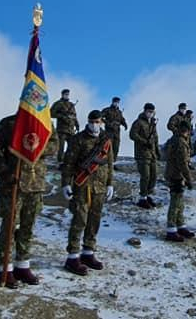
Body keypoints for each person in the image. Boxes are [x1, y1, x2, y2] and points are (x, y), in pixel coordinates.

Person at [0, 114, 59, 288]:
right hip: (13, 182)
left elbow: (54, 145)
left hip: (35, 183)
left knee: (28, 226)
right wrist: (4, 171)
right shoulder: (10, 123)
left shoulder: (45, 124)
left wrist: (36, 147)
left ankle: (22, 265)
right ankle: (5, 267)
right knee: (9, 226)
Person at [61, 110, 115, 276]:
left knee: (94, 220)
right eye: (92, 121)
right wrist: (66, 183)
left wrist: (110, 183)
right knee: (80, 220)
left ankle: (88, 253)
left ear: (101, 122)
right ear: (88, 122)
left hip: (99, 187)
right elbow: (68, 163)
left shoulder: (106, 140)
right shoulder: (78, 139)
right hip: (82, 186)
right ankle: (72, 257)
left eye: (98, 122)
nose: (95, 124)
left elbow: (109, 163)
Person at [163, 121, 195, 242]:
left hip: (174, 174)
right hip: (176, 175)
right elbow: (182, 163)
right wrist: (189, 178)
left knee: (180, 203)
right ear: (187, 130)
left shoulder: (175, 139)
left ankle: (180, 226)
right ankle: (171, 231)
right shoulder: (180, 142)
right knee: (175, 203)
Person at [129, 103, 159, 209]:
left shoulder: (153, 123)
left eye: (152, 111)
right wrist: (143, 141)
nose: (150, 113)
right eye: (148, 111)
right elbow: (132, 135)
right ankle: (142, 198)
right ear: (145, 111)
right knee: (145, 176)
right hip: (142, 154)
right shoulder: (138, 122)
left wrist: (157, 151)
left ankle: (148, 195)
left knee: (154, 176)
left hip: (152, 154)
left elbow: (155, 137)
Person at [50, 89, 79, 166]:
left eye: (68, 94)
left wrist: (77, 124)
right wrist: (62, 116)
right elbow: (51, 113)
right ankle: (60, 161)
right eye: (65, 94)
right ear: (62, 94)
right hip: (62, 129)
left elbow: (74, 116)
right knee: (61, 146)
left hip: (71, 130)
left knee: (72, 147)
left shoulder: (71, 105)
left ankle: (69, 161)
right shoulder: (58, 104)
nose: (67, 95)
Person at [100, 96, 129, 162]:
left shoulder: (119, 112)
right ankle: (106, 161)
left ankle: (113, 161)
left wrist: (125, 124)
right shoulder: (107, 110)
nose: (116, 103)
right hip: (109, 131)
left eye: (118, 102)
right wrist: (107, 123)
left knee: (116, 146)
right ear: (112, 102)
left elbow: (122, 119)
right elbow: (100, 116)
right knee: (108, 146)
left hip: (117, 132)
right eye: (115, 102)